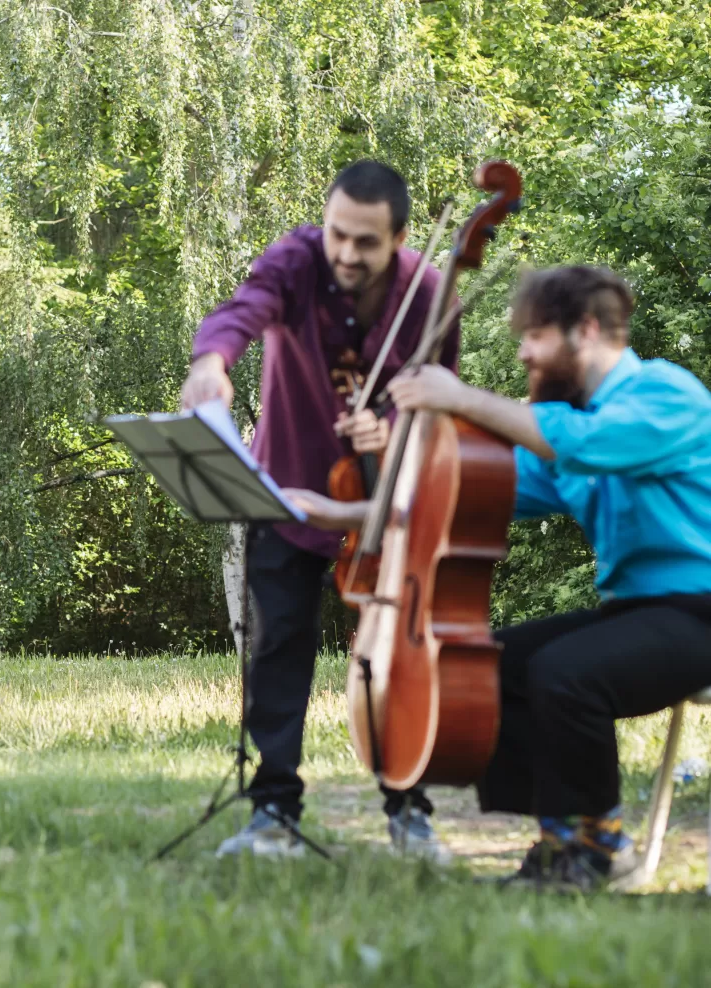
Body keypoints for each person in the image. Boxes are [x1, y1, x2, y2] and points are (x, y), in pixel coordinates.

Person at [286, 265, 711, 890]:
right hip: (642, 614)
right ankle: (561, 837)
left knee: (567, 674)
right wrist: (353, 511)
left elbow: (585, 444)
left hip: (699, 611)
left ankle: (596, 848)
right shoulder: (567, 428)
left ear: (584, 330)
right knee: (494, 663)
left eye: (533, 336)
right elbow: (461, 492)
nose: (522, 353)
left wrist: (459, 397)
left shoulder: (664, 394)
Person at [181, 160, 459, 860]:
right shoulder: (297, 257)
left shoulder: (430, 294)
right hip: (291, 486)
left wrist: (393, 429)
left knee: (398, 653)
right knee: (277, 649)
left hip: (385, 498)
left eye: (365, 243)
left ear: (397, 238)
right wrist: (212, 362)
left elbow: (441, 401)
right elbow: (239, 314)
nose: (345, 253)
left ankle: (409, 808)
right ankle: (273, 812)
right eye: (338, 234)